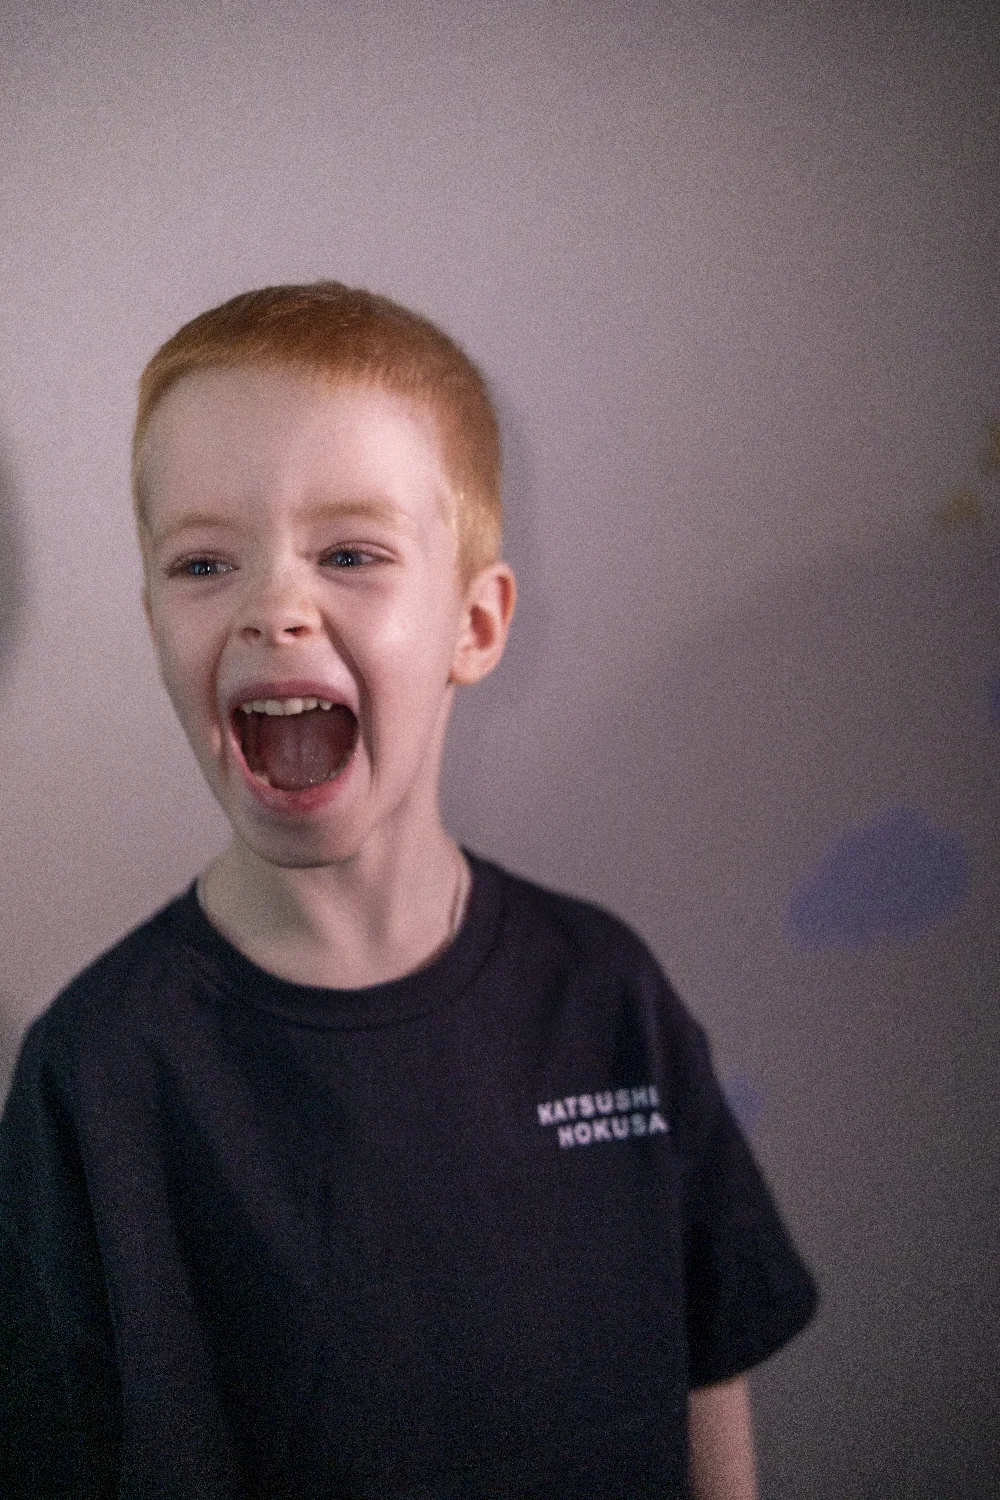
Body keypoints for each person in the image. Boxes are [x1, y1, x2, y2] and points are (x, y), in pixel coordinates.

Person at [0, 283, 817, 1499]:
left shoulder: (609, 995)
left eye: (350, 554)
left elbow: (709, 1396)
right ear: (155, 621)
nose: (274, 609)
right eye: (204, 562)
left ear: (473, 626)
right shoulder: (94, 1073)